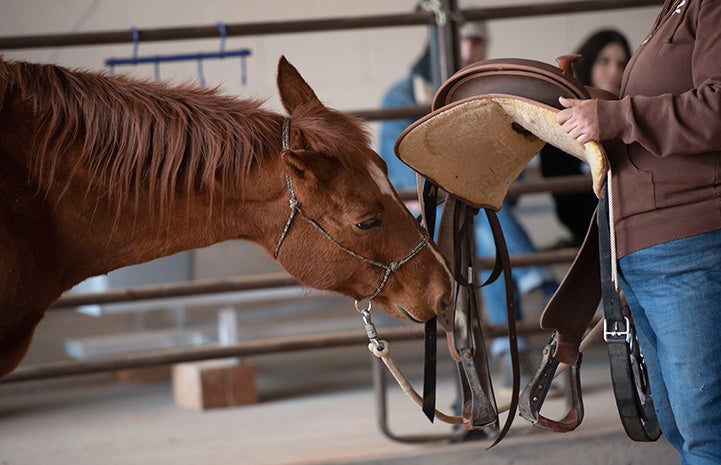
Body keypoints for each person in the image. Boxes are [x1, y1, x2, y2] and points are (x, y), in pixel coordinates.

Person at [556, 1, 721, 463]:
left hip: (687, 241)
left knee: (706, 428)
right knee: (680, 424)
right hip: (645, 249)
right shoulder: (676, 8)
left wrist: (615, 117)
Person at [379, 21, 557, 388]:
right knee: (482, 219)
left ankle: (504, 361)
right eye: (462, 41)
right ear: (438, 44)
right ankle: (529, 300)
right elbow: (406, 178)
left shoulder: (486, 94)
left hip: (476, 207)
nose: (469, 51)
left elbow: (512, 170)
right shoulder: (400, 97)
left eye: (476, 42)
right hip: (425, 214)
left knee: (481, 226)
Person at [539, 29, 631, 247]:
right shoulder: (561, 113)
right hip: (586, 223)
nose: (613, 71)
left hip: (628, 220)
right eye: (605, 61)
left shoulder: (631, 111)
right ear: (588, 62)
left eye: (621, 63)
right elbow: (563, 194)